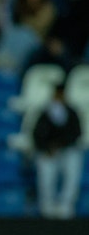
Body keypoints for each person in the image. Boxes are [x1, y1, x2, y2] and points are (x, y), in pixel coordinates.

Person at [32, 82, 84, 219]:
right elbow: (37, 134)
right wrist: (48, 148)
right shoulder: (44, 113)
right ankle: (47, 208)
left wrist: (61, 145)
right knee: (44, 166)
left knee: (75, 160)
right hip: (49, 152)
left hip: (66, 151)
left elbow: (77, 133)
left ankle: (66, 206)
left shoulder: (72, 112)